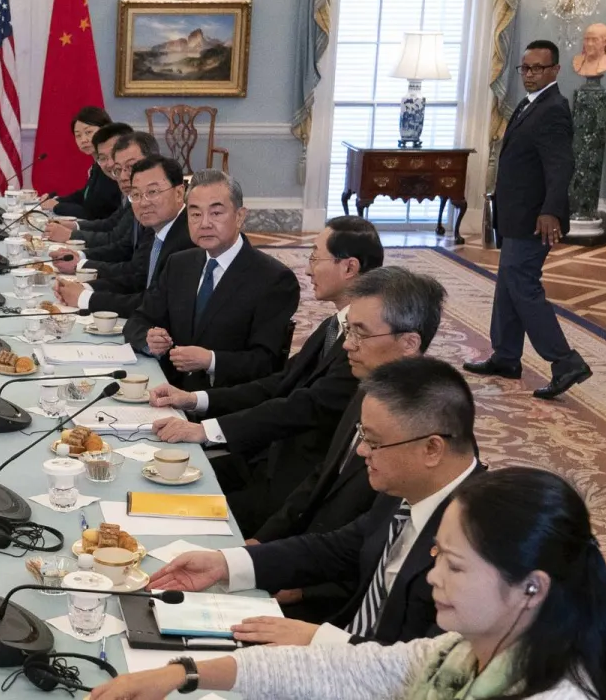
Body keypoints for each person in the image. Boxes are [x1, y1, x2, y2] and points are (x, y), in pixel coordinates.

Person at [92, 467, 606, 700]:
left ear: (532, 586)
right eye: (437, 555)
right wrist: (182, 673)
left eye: (455, 566)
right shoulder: (463, 650)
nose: (433, 576)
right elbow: (349, 670)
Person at [150, 358, 482, 648]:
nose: (363, 452)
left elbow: (435, 666)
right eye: (363, 437)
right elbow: (337, 548)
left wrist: (316, 640)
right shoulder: (410, 488)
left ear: (432, 449)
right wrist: (225, 564)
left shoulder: (483, 540)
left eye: (375, 442)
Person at [146, 216, 383, 533]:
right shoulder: (334, 325)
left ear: (350, 268)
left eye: (314, 257)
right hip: (261, 460)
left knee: (173, 514)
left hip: (291, 489)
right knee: (153, 479)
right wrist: (195, 400)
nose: (308, 269)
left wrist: (205, 432)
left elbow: (300, 406)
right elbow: (280, 382)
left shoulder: (364, 346)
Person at [252, 267, 446, 620]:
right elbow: (321, 477)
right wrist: (261, 544)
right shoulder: (369, 391)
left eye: (360, 333)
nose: (346, 345)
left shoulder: (423, 432)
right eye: (349, 330)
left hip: (338, 604)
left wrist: (304, 590)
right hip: (310, 559)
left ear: (409, 343)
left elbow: (384, 554)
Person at [466, 40, 591, 399]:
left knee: (523, 286)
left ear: (555, 70)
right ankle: (506, 356)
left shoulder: (553, 109)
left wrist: (550, 210)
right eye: (525, 68)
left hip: (536, 218)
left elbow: (561, 164)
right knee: (508, 284)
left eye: (538, 68)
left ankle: (565, 361)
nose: (530, 75)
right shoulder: (529, 103)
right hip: (517, 215)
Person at [122, 170, 299, 390]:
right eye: (195, 214)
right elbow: (138, 320)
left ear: (240, 216)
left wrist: (211, 361)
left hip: (225, 404)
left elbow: (267, 363)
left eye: (216, 213)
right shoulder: (179, 264)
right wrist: (148, 339)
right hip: (167, 390)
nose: (204, 223)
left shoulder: (274, 279)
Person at [54, 155, 194, 316]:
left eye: (153, 192)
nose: (143, 202)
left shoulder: (189, 239)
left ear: (178, 193)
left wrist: (87, 299)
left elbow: (159, 304)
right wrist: (86, 287)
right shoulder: (155, 227)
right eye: (136, 195)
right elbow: (138, 280)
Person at [45, 126, 150, 250]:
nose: (110, 164)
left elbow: (114, 237)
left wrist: (71, 234)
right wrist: (73, 226)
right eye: (102, 158)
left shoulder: (138, 191)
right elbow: (111, 223)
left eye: (88, 132)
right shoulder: (105, 173)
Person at [46, 107, 126, 220]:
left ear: (105, 130)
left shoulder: (112, 167)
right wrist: (56, 200)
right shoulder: (97, 166)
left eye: (88, 132)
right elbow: (85, 195)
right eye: (78, 135)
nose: (83, 140)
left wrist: (57, 206)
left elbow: (96, 213)